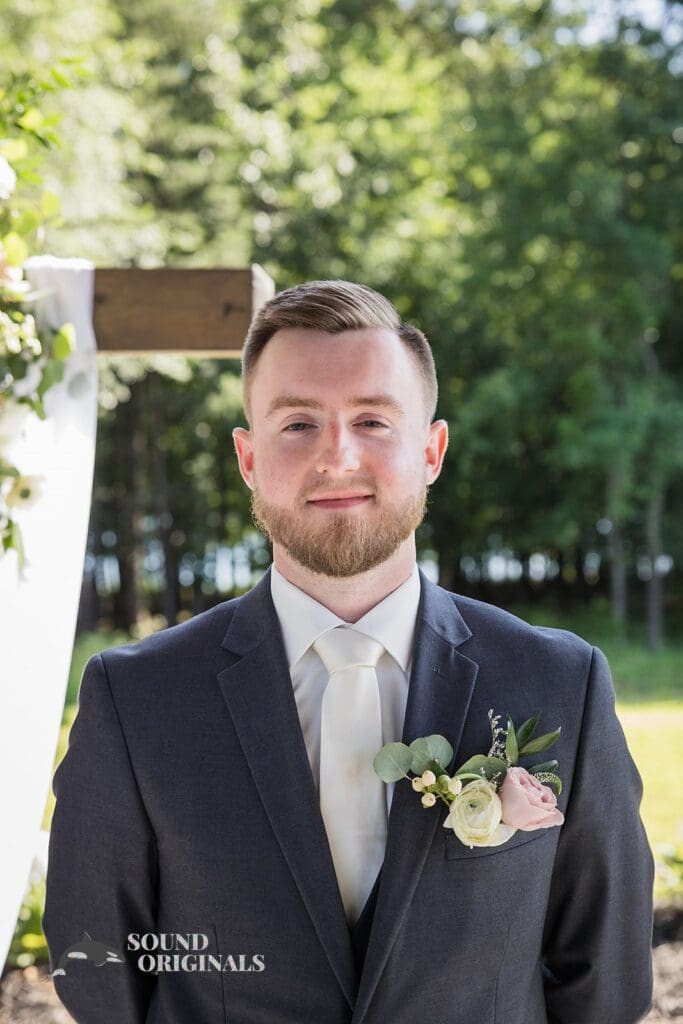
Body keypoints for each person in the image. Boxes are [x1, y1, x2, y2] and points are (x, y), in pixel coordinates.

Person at [44, 280, 654, 1024]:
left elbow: (606, 975)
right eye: (298, 423)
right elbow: (95, 961)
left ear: (431, 450)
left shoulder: (558, 683)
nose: (337, 455)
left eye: (371, 419)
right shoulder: (135, 698)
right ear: (247, 458)